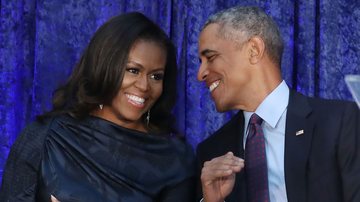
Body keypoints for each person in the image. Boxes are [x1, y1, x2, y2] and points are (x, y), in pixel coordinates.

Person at [0, 12, 195, 202]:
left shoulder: (174, 159)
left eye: (156, 76)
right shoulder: (45, 137)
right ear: (104, 66)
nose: (144, 86)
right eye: (133, 70)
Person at [196, 6, 360, 202]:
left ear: (254, 50)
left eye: (211, 58)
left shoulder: (339, 122)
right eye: (200, 62)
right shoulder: (212, 152)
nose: (200, 74)